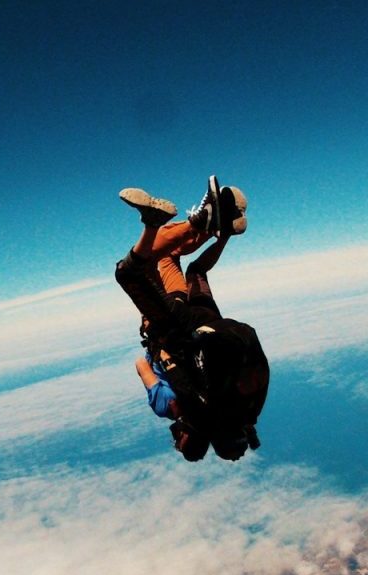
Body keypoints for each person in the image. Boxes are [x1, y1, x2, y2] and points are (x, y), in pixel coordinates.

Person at [114, 177, 268, 462]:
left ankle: (222, 232)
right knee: (133, 271)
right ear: (188, 434)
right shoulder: (174, 407)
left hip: (210, 321)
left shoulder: (246, 410)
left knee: (192, 269)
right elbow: (141, 365)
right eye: (178, 439)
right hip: (173, 325)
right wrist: (157, 359)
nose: (175, 435)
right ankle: (165, 222)